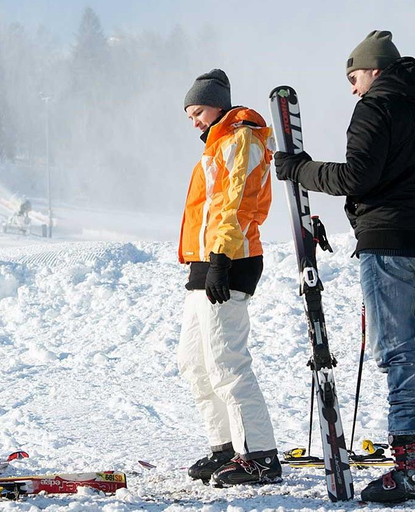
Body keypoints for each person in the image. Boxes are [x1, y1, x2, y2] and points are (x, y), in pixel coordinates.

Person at [273, 31, 415, 503]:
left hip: (390, 246)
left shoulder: (376, 108)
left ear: (375, 70)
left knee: (399, 357)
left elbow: (355, 176)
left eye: (354, 76)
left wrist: (299, 168)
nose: (353, 88)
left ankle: (411, 472)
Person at [178, 69, 281, 487]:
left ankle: (259, 456)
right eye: (190, 116)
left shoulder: (241, 136)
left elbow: (234, 202)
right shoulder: (217, 144)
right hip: (206, 262)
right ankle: (225, 446)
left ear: (218, 103)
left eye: (198, 111)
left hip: (231, 259)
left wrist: (220, 255)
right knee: (194, 362)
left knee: (226, 361)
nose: (195, 122)